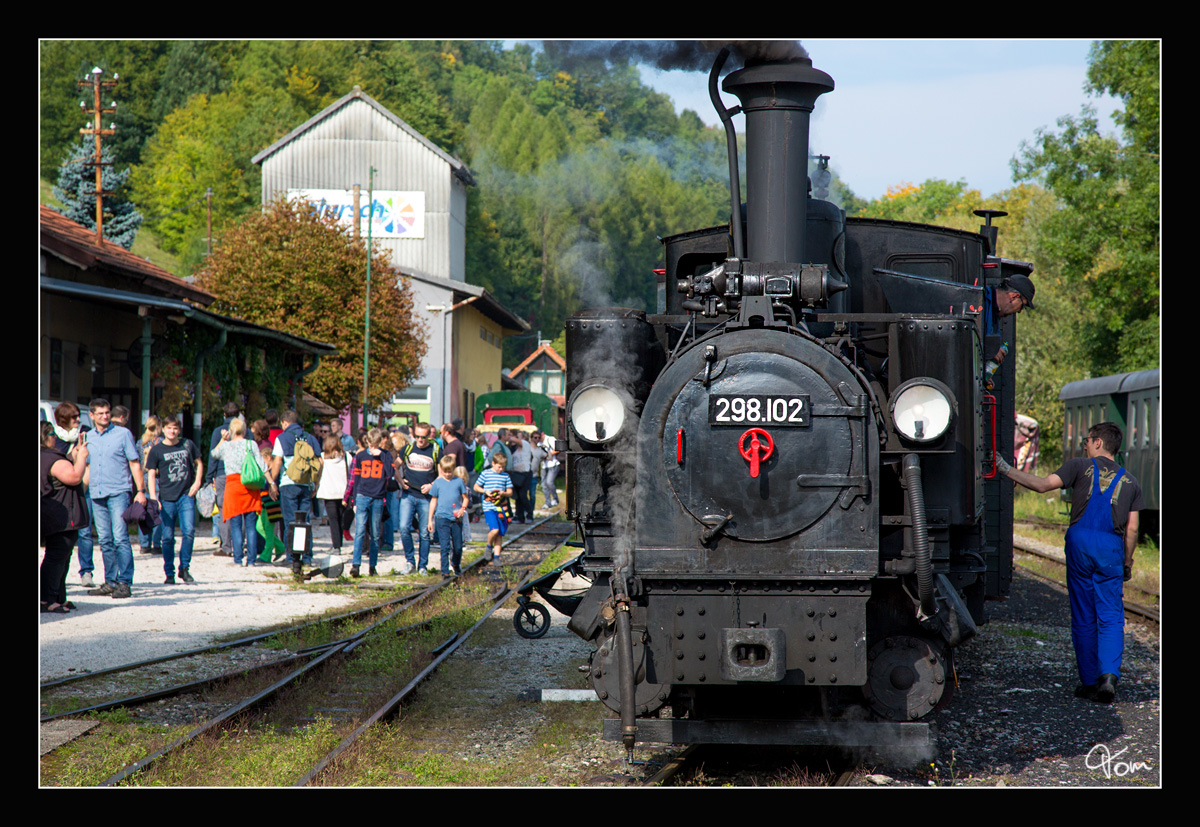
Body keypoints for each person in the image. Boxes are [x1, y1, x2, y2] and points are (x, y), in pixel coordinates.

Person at [995, 421, 1144, 704]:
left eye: (1087, 440)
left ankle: (1089, 682)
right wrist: (1127, 562)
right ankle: (1109, 677)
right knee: (1112, 616)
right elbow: (1133, 529)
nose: (1085, 445)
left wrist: (1004, 468)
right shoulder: (1131, 482)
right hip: (1111, 547)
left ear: (1098, 442)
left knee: (1084, 615)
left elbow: (1041, 485)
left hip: (1080, 545)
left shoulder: (1079, 466)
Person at [84, 398, 146, 600]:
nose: (105, 416)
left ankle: (125, 582)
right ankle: (110, 581)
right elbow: (86, 467)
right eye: (100, 413)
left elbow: (134, 463)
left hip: (119, 491)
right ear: (92, 415)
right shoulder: (88, 437)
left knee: (120, 538)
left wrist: (140, 490)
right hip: (96, 493)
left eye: (107, 412)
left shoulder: (123, 434)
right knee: (104, 540)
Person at [145, 415, 203, 584]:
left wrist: (197, 482)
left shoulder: (187, 444)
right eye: (169, 428)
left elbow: (199, 462)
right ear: (163, 429)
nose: (172, 431)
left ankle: (184, 568)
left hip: (185, 496)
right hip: (166, 498)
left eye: (175, 428)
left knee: (189, 531)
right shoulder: (156, 450)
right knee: (168, 537)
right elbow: (151, 474)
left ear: (179, 430)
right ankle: (169, 572)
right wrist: (154, 498)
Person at [41, 421, 89, 613]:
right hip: (63, 516)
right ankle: (47, 599)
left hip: (52, 514)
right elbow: (74, 477)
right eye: (53, 434)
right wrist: (82, 458)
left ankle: (58, 597)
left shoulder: (46, 457)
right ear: (46, 436)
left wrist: (73, 455)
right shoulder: (51, 457)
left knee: (61, 556)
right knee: (57, 557)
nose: (56, 438)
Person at [51, 402, 99, 587]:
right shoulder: (53, 437)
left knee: (84, 532)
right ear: (63, 418)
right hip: (60, 492)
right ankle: (59, 580)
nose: (78, 419)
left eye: (78, 416)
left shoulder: (84, 433)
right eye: (74, 416)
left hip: (82, 489)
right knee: (63, 537)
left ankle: (86, 571)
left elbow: (89, 462)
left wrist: (82, 483)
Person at [211, 417, 267, 567]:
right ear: (245, 430)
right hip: (249, 486)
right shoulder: (251, 444)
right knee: (250, 525)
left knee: (235, 525)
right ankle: (252, 560)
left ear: (231, 430)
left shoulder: (227, 446)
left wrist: (223, 439)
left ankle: (237, 558)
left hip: (233, 487)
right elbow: (262, 465)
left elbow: (214, 454)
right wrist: (271, 483)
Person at [270, 410, 324, 566]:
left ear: (285, 423)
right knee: (305, 521)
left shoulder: (282, 438)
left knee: (290, 521)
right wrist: (316, 484)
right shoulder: (311, 438)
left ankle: (291, 557)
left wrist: (273, 482)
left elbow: (278, 462)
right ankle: (307, 556)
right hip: (307, 484)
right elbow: (320, 462)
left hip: (289, 483)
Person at [345, 428, 394, 577]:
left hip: (378, 497)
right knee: (359, 530)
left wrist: (382, 457)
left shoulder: (386, 455)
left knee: (375, 533)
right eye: (371, 445)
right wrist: (352, 500)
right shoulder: (360, 456)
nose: (373, 448)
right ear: (367, 442)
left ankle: (372, 566)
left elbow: (390, 474)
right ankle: (356, 565)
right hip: (362, 495)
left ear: (380, 443)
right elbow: (355, 479)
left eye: (376, 445)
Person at [397, 423, 440, 575]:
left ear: (429, 436)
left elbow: (441, 475)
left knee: (424, 533)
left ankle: (423, 566)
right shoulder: (407, 449)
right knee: (403, 528)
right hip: (408, 495)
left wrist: (431, 485)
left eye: (423, 437)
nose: (420, 440)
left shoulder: (435, 451)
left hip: (426, 498)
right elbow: (394, 466)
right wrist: (401, 482)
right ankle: (410, 562)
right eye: (417, 436)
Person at [206, 402, 242, 557]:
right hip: (241, 475)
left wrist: (209, 476)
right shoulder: (244, 431)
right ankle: (240, 544)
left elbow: (213, 454)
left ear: (225, 415)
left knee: (223, 510)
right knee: (241, 509)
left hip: (222, 474)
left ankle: (226, 546)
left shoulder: (218, 432)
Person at [428, 455, 469, 577]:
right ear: (441, 469)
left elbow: (465, 498)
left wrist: (462, 509)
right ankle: (445, 571)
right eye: (445, 471)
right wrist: (430, 520)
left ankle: (456, 563)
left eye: (449, 471)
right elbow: (433, 501)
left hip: (456, 518)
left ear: (454, 469)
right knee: (444, 546)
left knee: (457, 546)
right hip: (442, 518)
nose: (447, 474)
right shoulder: (437, 483)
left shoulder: (458, 482)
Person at [316, 434, 352, 559]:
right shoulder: (347, 456)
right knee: (341, 519)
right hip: (343, 493)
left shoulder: (322, 457)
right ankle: (338, 544)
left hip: (329, 493)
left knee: (333, 520)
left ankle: (336, 546)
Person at [474, 452, 513, 564]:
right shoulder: (486, 474)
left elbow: (510, 492)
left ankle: (496, 556)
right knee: (494, 530)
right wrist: (485, 491)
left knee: (500, 533)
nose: (501, 469)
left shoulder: (505, 476)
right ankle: (488, 546)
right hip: (489, 507)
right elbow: (476, 487)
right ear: (493, 463)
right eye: (499, 466)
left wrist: (503, 493)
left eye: (503, 467)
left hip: (501, 509)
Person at [137, 415, 163, 555]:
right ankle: (156, 544)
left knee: (145, 513)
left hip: (143, 480)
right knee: (158, 512)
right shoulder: (161, 442)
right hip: (158, 480)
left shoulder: (140, 443)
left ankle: (144, 544)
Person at [508, 430, 534, 523]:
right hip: (516, 474)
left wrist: (509, 437)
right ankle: (519, 516)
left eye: (518, 437)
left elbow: (516, 440)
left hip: (525, 473)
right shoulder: (515, 449)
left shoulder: (526, 445)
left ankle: (529, 513)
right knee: (518, 496)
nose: (516, 439)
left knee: (523, 495)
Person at [538, 429, 561, 509]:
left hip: (553, 464)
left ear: (543, 434)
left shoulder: (550, 439)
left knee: (549, 482)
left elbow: (558, 449)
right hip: (544, 465)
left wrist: (548, 454)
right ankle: (547, 502)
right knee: (544, 484)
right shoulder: (538, 443)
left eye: (539, 436)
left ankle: (555, 499)